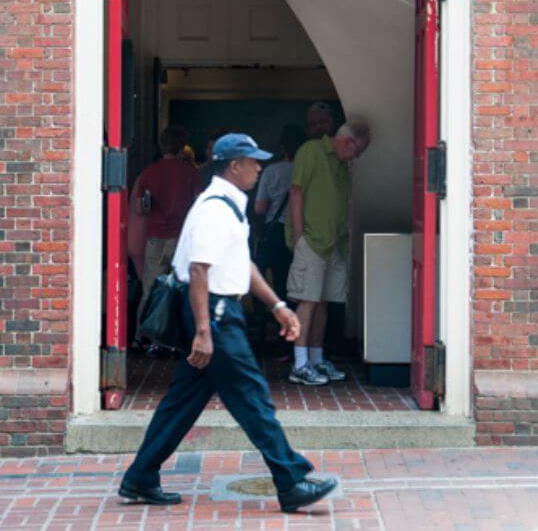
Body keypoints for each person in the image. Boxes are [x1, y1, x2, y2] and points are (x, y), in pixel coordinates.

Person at [119, 133, 339, 513]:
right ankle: (290, 481)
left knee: (181, 403)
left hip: (218, 312)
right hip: (215, 315)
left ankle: (140, 476)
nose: (259, 167)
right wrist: (204, 332)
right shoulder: (215, 208)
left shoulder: (229, 206)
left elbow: (241, 264)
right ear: (233, 165)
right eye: (252, 160)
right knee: (253, 398)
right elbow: (199, 270)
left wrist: (276, 306)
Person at [286, 117, 369, 386]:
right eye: (357, 151)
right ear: (347, 142)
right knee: (307, 300)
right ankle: (300, 364)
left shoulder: (342, 164)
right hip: (312, 240)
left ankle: (315, 359)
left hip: (334, 242)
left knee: (322, 303)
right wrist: (299, 237)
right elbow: (296, 192)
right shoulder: (311, 151)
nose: (356, 157)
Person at [130, 125, 201, 342]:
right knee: (182, 291)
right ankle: (178, 339)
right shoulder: (191, 173)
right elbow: (199, 206)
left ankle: (142, 336)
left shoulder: (149, 172)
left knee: (150, 290)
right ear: (182, 147)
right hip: (181, 239)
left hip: (156, 239)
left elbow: (140, 208)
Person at [254, 125, 309, 299]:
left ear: (282, 147)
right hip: (305, 229)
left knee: (277, 277)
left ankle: (269, 319)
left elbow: (259, 208)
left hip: (276, 230)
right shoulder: (308, 171)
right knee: (297, 279)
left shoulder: (271, 171)